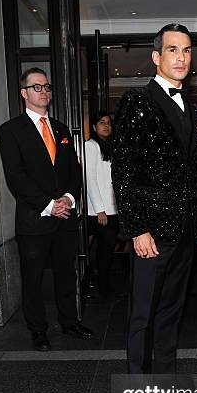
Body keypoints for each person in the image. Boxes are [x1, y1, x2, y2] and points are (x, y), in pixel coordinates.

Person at [111, 23, 197, 374]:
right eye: (173, 49)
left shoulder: (191, 105)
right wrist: (137, 229)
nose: (181, 57)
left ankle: (166, 384)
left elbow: (195, 174)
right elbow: (124, 172)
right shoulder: (136, 100)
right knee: (142, 315)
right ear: (157, 56)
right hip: (151, 234)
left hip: (184, 231)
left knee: (172, 312)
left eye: (186, 50)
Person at [0, 67, 95, 351]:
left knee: (67, 274)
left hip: (64, 218)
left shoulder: (62, 129)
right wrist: (48, 205)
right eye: (37, 87)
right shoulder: (11, 130)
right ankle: (38, 331)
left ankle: (69, 322)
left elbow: (73, 171)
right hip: (34, 221)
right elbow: (15, 176)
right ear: (24, 93)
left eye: (47, 87)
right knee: (33, 279)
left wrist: (67, 198)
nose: (44, 92)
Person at [85, 112, 118, 297]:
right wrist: (100, 210)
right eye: (102, 122)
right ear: (94, 126)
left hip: (110, 208)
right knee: (102, 250)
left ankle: (101, 283)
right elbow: (90, 179)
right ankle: (100, 285)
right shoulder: (90, 146)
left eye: (109, 123)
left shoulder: (109, 146)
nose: (106, 126)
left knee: (106, 250)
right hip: (99, 211)